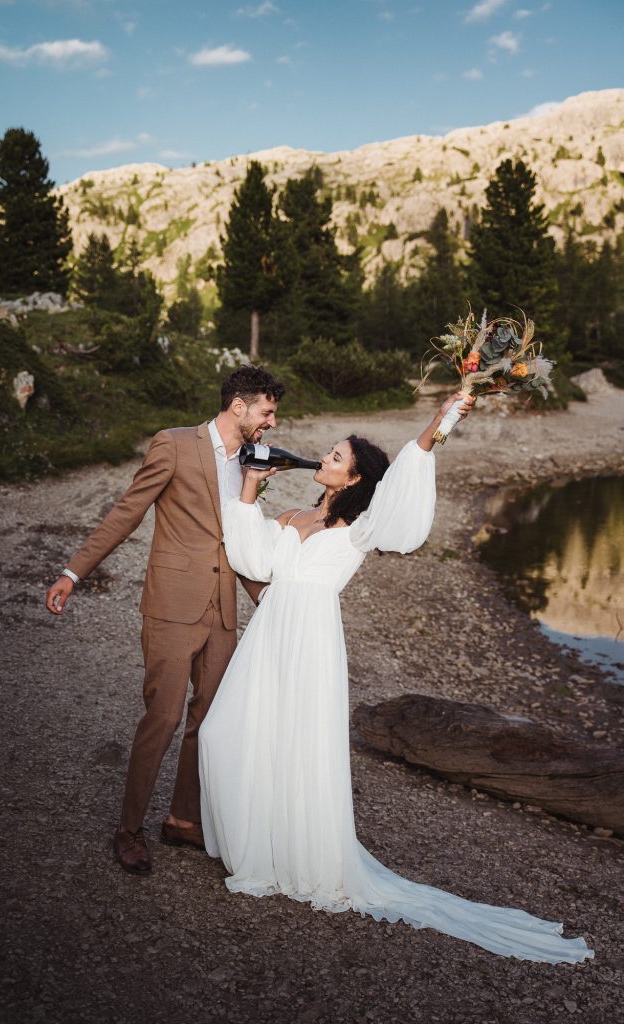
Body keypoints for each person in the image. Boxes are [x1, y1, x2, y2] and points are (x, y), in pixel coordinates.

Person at [198, 392, 594, 964]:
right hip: (270, 636)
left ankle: (293, 854)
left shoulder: (360, 530)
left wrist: (439, 424)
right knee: (228, 733)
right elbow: (251, 558)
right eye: (329, 453)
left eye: (336, 456)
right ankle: (256, 843)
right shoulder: (292, 518)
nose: (325, 458)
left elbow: (405, 498)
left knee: (298, 745)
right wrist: (251, 485)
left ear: (354, 478)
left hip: (311, 638)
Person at [45, 366, 285, 874]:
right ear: (238, 406)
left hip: (222, 609)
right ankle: (128, 829)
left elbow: (240, 540)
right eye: (267, 411)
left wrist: (265, 596)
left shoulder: (250, 464)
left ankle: (181, 819)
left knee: (210, 721)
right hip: (173, 605)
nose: (272, 423)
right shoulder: (174, 444)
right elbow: (127, 511)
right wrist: (74, 571)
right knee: (164, 717)